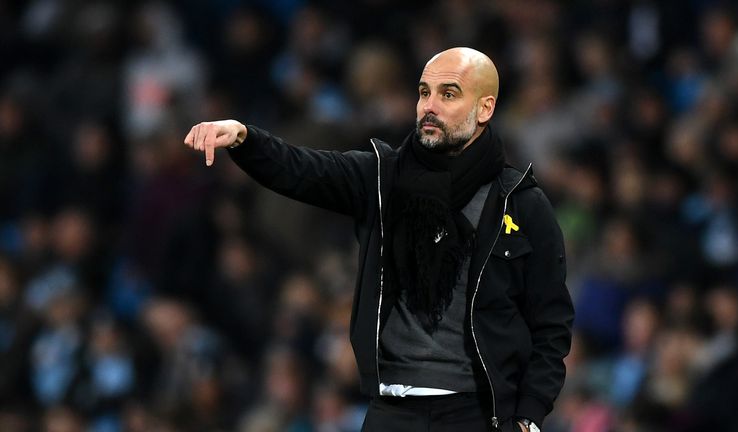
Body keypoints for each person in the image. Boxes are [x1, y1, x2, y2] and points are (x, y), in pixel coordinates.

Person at [184, 47, 573, 432]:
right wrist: (244, 138)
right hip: (392, 409)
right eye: (423, 92)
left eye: (448, 94)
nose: (429, 106)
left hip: (477, 413)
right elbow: (303, 170)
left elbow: (551, 323)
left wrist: (528, 417)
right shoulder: (382, 178)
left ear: (484, 109)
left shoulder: (521, 204)